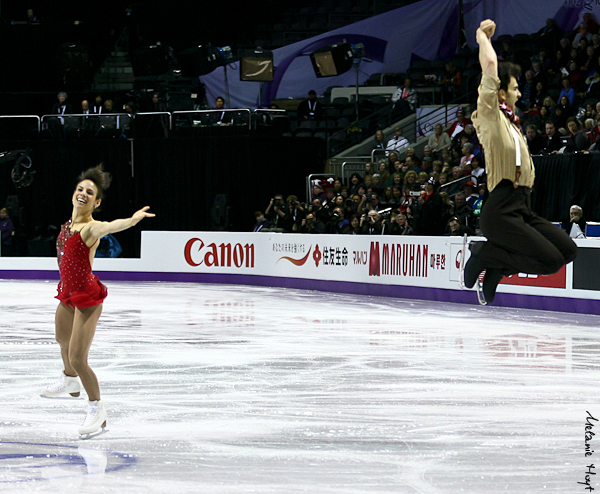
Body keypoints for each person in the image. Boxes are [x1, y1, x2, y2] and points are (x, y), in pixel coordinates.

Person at [466, 19, 577, 304]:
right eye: (515, 88)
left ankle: (497, 267)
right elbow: (490, 68)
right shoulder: (490, 115)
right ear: (501, 92)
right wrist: (481, 36)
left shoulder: (514, 123)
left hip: (522, 206)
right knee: (550, 261)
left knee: (566, 251)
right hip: (501, 208)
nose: (519, 92)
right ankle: (485, 255)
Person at [41, 164, 154, 437]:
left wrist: (131, 220)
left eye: (89, 192)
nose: (83, 194)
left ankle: (97, 410)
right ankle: (69, 381)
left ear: (97, 201)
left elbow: (111, 226)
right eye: (80, 189)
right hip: (67, 292)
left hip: (87, 297)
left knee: (78, 357)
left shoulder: (91, 228)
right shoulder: (68, 225)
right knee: (62, 340)